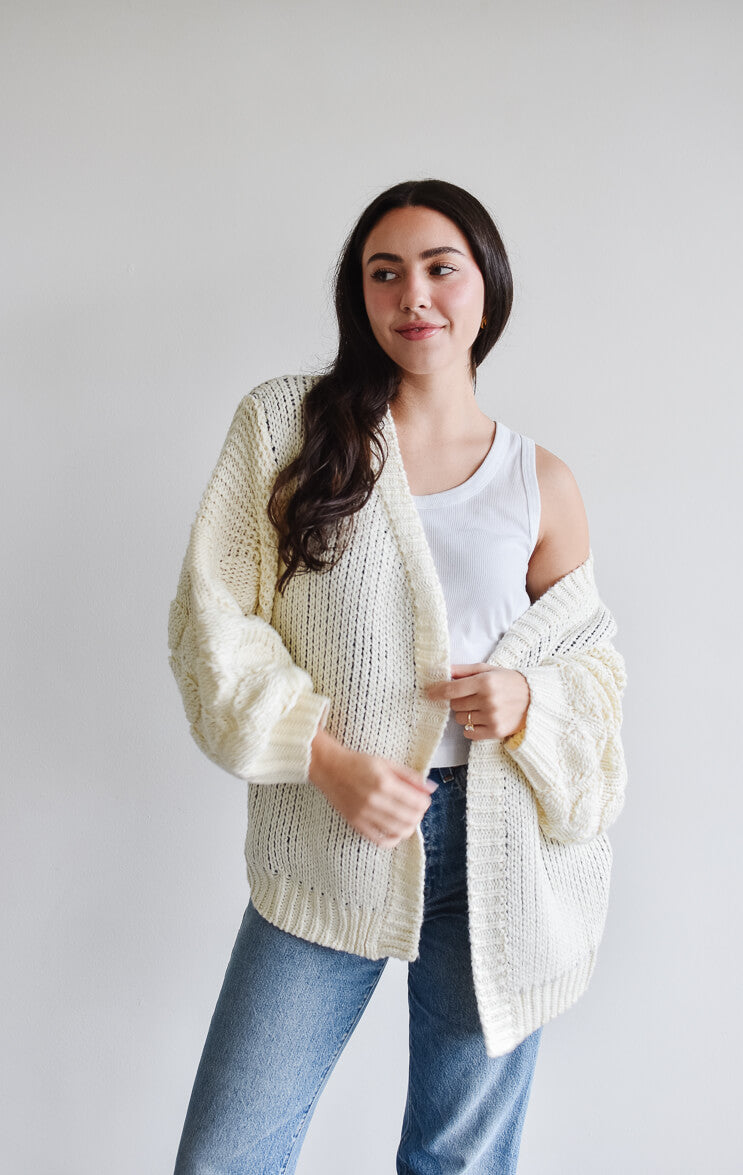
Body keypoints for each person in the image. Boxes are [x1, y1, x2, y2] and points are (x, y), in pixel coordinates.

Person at [167, 178, 627, 1175]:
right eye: (384, 273)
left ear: (486, 288)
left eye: (438, 267)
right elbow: (215, 619)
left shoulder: (539, 481)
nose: (412, 294)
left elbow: (594, 676)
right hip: (331, 827)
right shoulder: (289, 429)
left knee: (455, 1162)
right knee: (225, 1156)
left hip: (502, 849)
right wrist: (322, 757)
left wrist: (528, 700)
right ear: (359, 296)